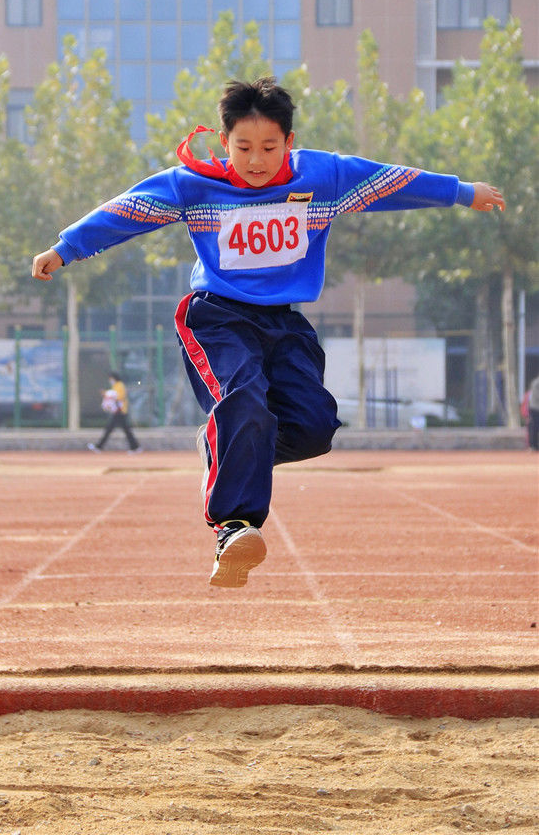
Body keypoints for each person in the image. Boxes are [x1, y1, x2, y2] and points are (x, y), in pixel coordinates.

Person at [32, 77, 505, 588]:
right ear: (223, 141)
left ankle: (227, 442)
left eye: (269, 148)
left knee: (314, 427)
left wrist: (460, 192)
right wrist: (66, 248)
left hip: (284, 321)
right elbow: (127, 212)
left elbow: (391, 180)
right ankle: (234, 524)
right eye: (243, 148)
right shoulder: (193, 184)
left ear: (290, 142)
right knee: (245, 399)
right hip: (216, 317)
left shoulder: (324, 177)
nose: (256, 161)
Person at [87, 371, 141, 453]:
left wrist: (108, 396)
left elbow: (120, 396)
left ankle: (99, 446)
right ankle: (135, 447)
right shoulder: (115, 386)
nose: (110, 380)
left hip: (120, 411)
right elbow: (112, 396)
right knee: (123, 430)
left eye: (111, 378)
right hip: (117, 411)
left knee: (113, 430)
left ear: (114, 378)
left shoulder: (120, 385)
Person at [527, 375, 539, 451]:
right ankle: (533, 445)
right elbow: (537, 395)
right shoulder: (536, 383)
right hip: (535, 408)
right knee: (534, 427)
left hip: (536, 407)